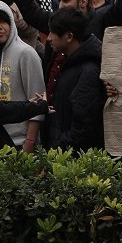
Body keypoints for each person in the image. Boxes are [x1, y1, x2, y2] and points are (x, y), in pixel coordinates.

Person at [0, 0, 47, 152]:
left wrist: (30, 141)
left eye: (4, 21)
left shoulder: (25, 53)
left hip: (21, 142)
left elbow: (38, 101)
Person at [42, 8, 105, 151]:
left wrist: (59, 148)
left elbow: (84, 125)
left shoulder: (88, 71)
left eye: (52, 32)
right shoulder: (69, 63)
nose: (49, 38)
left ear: (69, 36)